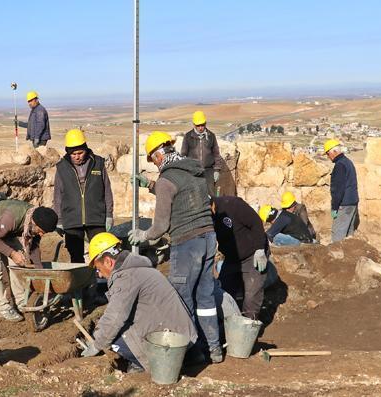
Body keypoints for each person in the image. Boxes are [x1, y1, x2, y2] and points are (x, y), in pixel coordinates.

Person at [128, 131, 223, 363]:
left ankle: (192, 353)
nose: (155, 164)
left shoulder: (166, 180)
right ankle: (214, 349)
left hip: (186, 242)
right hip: (209, 237)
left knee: (181, 299)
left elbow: (160, 226)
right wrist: (151, 185)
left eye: (153, 159)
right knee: (206, 298)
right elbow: (184, 194)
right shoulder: (193, 170)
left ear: (158, 156)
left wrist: (143, 235)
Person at [79, 232, 198, 373]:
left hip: (170, 342)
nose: (99, 274)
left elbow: (115, 317)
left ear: (108, 262)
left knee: (114, 338)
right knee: (113, 329)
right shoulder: (137, 269)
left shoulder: (126, 277)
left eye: (98, 269)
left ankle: (142, 364)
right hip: (182, 335)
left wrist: (96, 344)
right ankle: (193, 356)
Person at [0, 199, 58, 321]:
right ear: (34, 223)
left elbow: (33, 248)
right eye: (41, 232)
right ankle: (3, 307)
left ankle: (21, 301)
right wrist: (12, 253)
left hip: (8, 231)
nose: (41, 235)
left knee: (20, 263)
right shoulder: (12, 217)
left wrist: (40, 272)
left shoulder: (35, 219)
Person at [53, 128, 113, 263]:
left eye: (80, 152)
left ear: (86, 149)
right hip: (72, 220)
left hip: (96, 218)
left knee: (102, 255)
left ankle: (100, 282)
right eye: (73, 154)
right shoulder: (61, 167)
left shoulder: (98, 163)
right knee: (76, 257)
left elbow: (107, 190)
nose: (77, 156)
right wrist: (59, 220)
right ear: (68, 152)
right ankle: (81, 283)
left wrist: (109, 214)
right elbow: (58, 196)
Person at [210, 195, 269, 320]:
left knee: (251, 296)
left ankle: (248, 328)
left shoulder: (233, 205)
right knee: (224, 293)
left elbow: (256, 222)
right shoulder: (205, 217)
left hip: (252, 254)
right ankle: (228, 327)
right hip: (232, 258)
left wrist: (260, 249)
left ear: (211, 204)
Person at [324, 139, 360, 242]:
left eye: (328, 153)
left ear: (333, 152)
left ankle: (338, 257)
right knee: (348, 235)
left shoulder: (339, 165)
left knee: (338, 236)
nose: (328, 157)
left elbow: (338, 190)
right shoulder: (347, 162)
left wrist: (334, 207)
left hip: (344, 205)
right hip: (352, 202)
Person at [180, 111, 222, 195]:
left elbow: (216, 153)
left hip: (208, 171)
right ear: (194, 124)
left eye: (202, 125)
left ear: (205, 123)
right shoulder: (188, 136)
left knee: (210, 195)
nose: (200, 128)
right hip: (193, 171)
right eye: (198, 125)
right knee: (194, 195)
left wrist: (217, 170)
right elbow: (183, 154)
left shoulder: (211, 136)